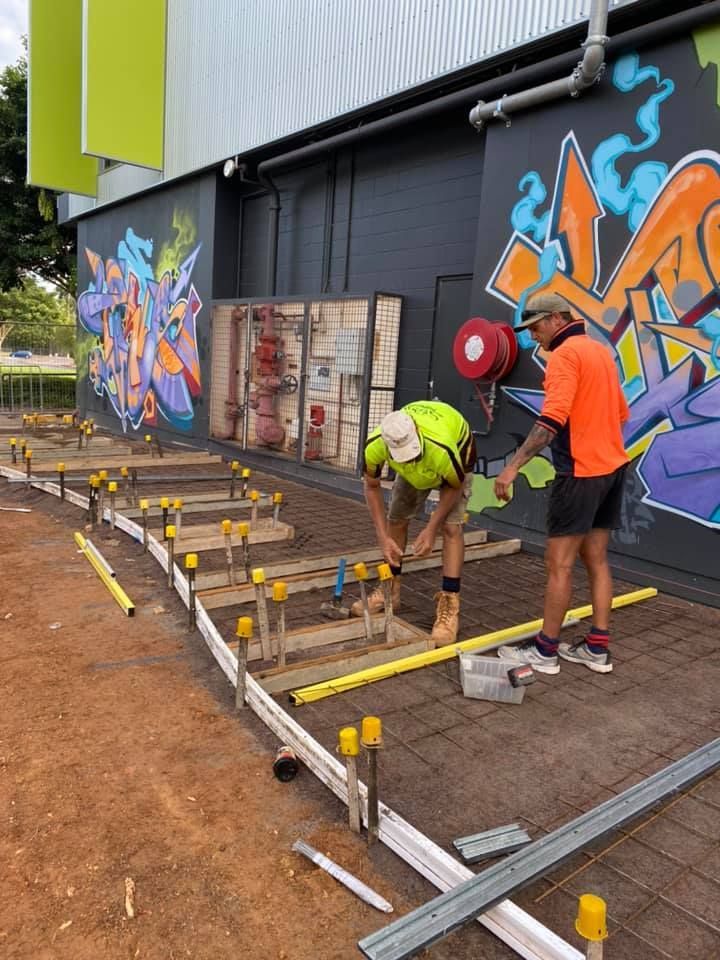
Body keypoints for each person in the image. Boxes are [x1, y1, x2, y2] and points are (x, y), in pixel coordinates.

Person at [493, 292, 629, 674]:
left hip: (581, 473)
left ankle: (545, 652)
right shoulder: (600, 351)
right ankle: (597, 649)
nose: (533, 336)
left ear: (556, 319)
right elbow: (620, 412)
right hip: (613, 469)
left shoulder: (565, 356)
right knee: (597, 560)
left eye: (535, 327)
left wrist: (512, 467)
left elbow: (551, 421)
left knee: (560, 565)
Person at [352, 401, 476, 646]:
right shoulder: (375, 446)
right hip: (415, 469)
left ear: (416, 433)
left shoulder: (443, 449)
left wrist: (431, 528)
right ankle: (391, 590)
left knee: (451, 528)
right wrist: (382, 537)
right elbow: (372, 486)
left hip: (454, 454)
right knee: (396, 520)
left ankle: (449, 603)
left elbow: (454, 486)